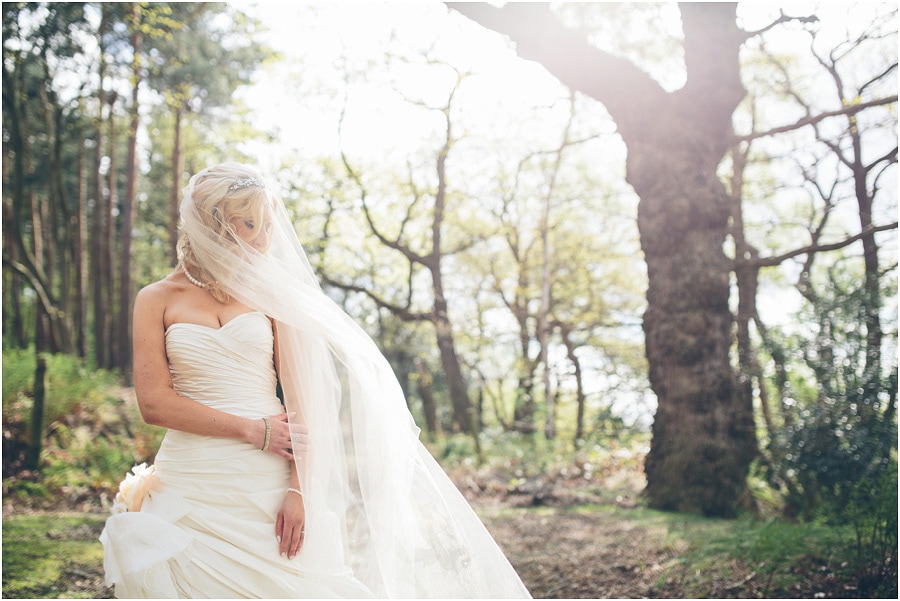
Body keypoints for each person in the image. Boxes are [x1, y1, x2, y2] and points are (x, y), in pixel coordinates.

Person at [100, 162, 531, 598]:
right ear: (211, 222)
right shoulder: (155, 299)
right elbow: (154, 403)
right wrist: (251, 429)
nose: (264, 240)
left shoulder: (270, 297)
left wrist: (298, 490)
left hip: (268, 480)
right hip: (192, 480)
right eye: (250, 224)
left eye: (268, 226)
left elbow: (306, 402)